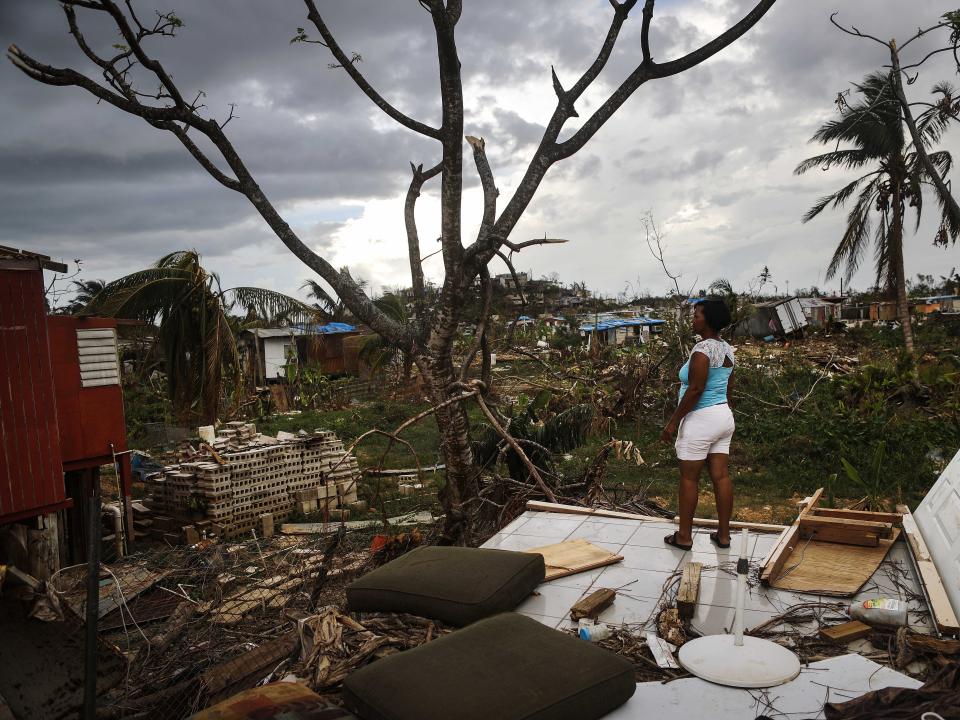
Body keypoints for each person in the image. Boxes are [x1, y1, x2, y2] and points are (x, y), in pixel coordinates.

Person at [661, 299, 736, 551]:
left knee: (689, 478)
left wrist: (673, 422)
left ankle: (684, 536)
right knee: (721, 476)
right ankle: (723, 536)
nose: (693, 319)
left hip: (701, 419)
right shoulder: (728, 349)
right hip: (723, 416)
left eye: (697, 315)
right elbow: (727, 386)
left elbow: (695, 389)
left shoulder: (703, 349)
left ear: (709, 320)